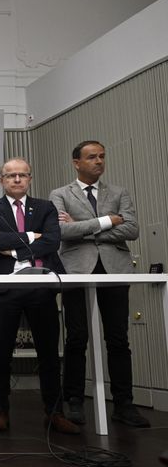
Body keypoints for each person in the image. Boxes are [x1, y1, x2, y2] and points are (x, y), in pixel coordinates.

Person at [49, 140, 150, 428]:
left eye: (102, 156)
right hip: (76, 270)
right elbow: (61, 231)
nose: (99, 161)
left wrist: (86, 229)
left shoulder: (119, 192)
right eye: (92, 157)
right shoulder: (60, 194)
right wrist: (107, 221)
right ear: (76, 162)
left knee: (118, 338)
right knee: (77, 336)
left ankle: (124, 404)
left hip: (114, 270)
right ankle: (75, 401)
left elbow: (132, 229)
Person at [0, 158, 79, 434]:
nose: (17, 179)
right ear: (1, 180)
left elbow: (52, 241)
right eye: (10, 175)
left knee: (48, 353)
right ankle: (0, 410)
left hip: (41, 287)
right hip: (5, 289)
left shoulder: (46, 208)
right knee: (1, 353)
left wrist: (16, 249)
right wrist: (31, 236)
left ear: (30, 179)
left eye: (22, 175)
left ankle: (55, 412)